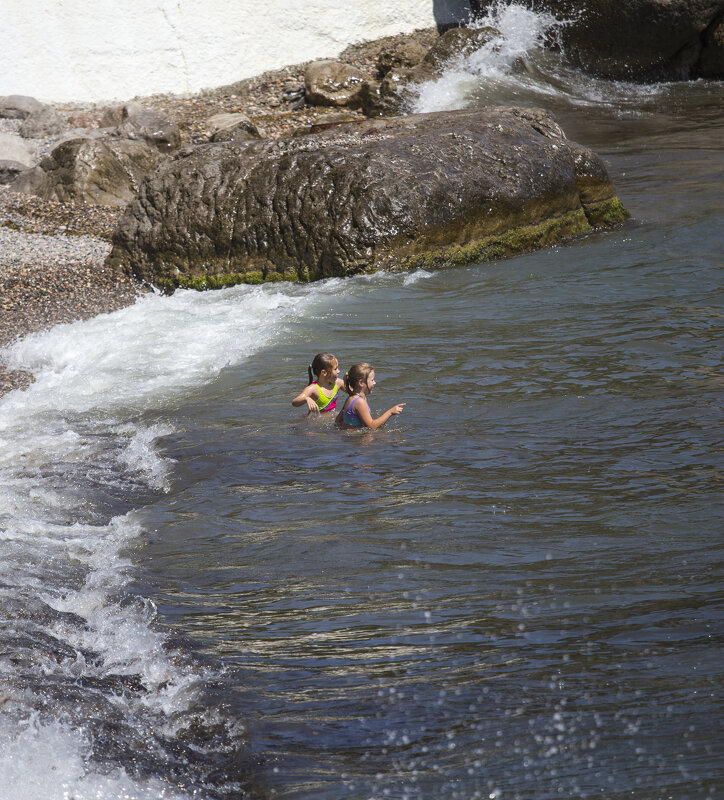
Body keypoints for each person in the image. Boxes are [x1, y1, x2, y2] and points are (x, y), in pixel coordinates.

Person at [336, 362, 405, 429]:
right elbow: (371, 426)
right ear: (361, 383)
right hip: (358, 439)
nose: (374, 382)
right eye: (372, 380)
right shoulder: (359, 402)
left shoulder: (350, 398)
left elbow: (338, 420)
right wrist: (390, 412)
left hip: (352, 438)